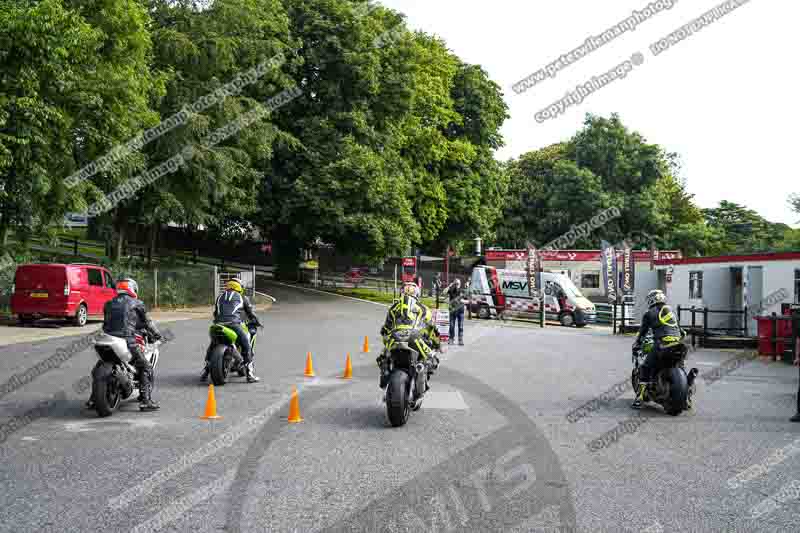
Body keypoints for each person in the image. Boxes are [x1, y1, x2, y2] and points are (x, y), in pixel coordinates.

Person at [89, 278, 163, 411]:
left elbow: (109, 321)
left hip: (105, 339)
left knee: (99, 365)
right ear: (132, 289)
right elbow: (147, 322)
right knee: (146, 367)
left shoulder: (108, 304)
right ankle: (146, 401)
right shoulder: (138, 303)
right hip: (127, 340)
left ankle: (93, 400)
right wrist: (158, 335)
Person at [377, 282, 441, 389]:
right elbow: (432, 328)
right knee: (433, 360)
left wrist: (386, 341)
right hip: (414, 337)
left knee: (382, 358)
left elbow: (385, 330)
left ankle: (385, 372)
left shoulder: (393, 307)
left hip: (395, 337)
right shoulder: (423, 308)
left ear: (401, 292)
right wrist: (435, 343)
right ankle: (421, 370)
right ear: (417, 294)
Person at [631, 289, 686, 409]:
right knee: (680, 366)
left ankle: (639, 398)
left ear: (651, 300)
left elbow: (642, 333)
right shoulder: (671, 312)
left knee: (645, 368)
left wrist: (637, 345)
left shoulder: (649, 313)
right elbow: (682, 332)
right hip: (678, 344)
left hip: (662, 344)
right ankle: (687, 398)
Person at [202, 277, 263, 383]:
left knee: (212, 345)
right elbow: (250, 314)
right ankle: (249, 374)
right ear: (239, 287)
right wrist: (257, 322)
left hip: (217, 325)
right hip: (233, 324)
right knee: (246, 346)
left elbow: (216, 313)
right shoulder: (242, 297)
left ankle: (206, 371)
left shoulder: (220, 297)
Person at [447, 278, 467, 345]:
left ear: (460, 284)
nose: (457, 285)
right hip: (452, 310)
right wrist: (450, 286)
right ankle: (451, 339)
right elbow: (443, 292)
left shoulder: (462, 291)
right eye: (455, 283)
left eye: (458, 283)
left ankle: (460, 340)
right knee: (451, 326)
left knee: (460, 326)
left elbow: (466, 300)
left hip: (460, 311)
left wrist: (465, 301)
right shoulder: (451, 290)